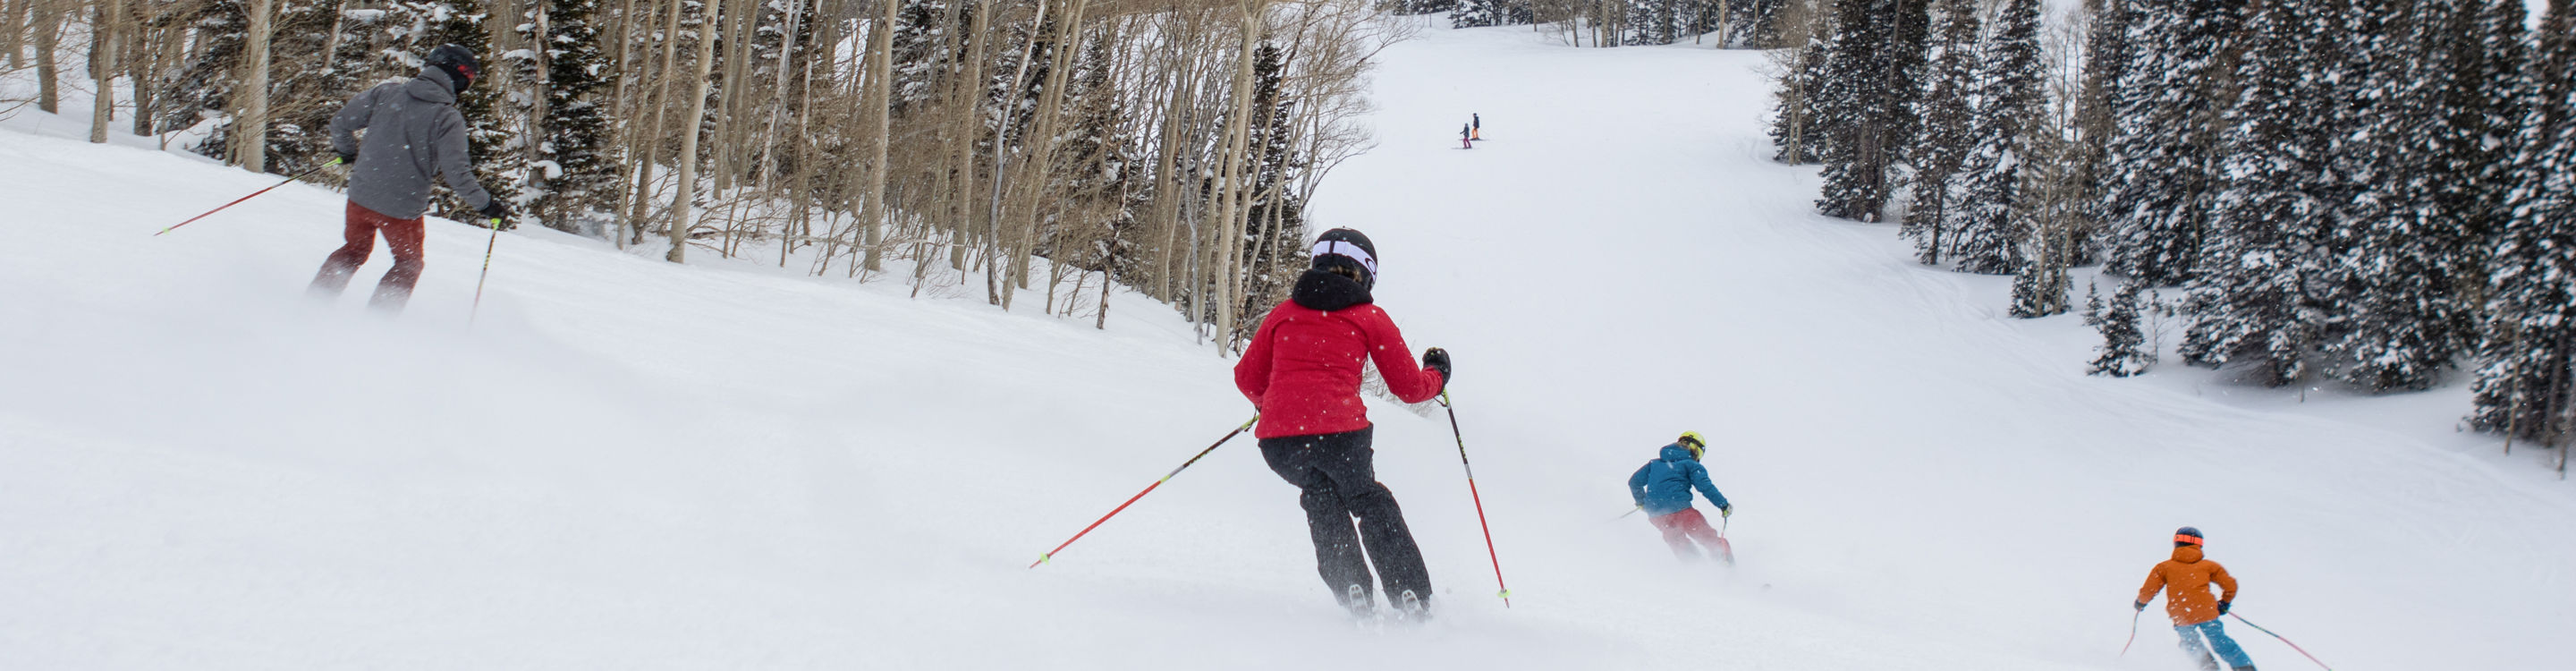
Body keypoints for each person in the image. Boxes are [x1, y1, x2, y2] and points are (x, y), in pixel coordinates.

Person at [1233, 228, 1452, 619]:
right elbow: (1409, 388)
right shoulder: (1368, 317)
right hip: (1341, 436)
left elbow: (1247, 378)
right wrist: (1437, 373)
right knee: (1368, 499)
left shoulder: (1283, 313)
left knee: (1321, 497)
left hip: (1281, 444)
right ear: (1367, 274)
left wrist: (1270, 405)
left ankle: (1354, 591)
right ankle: (1410, 594)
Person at [311, 44, 511, 310]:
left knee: (354, 251)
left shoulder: (387, 92)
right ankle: (378, 322)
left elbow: (341, 123)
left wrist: (347, 151)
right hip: (401, 209)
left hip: (360, 197)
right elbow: (457, 172)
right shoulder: (446, 117)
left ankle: (314, 304)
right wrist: (485, 204)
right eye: (469, 78)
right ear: (457, 76)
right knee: (408, 263)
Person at [2136, 527, 2258, 671]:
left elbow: (2149, 589)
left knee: (2190, 644)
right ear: (2199, 544)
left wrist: (2141, 603)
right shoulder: (2209, 566)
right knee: (2220, 642)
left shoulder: (2164, 567)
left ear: (2176, 543)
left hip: (2182, 615)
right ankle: (2244, 667)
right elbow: (2230, 586)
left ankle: (2208, 668)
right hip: (2206, 612)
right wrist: (2225, 602)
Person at [1627, 432, 1733, 562]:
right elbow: (1706, 487)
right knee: (1708, 538)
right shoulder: (1691, 464)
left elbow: (1634, 482)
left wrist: (1641, 502)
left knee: (1678, 542)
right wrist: (1723, 505)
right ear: (1697, 449)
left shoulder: (1654, 464)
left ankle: (1695, 569)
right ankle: (1727, 566)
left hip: (1657, 515)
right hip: (1682, 511)